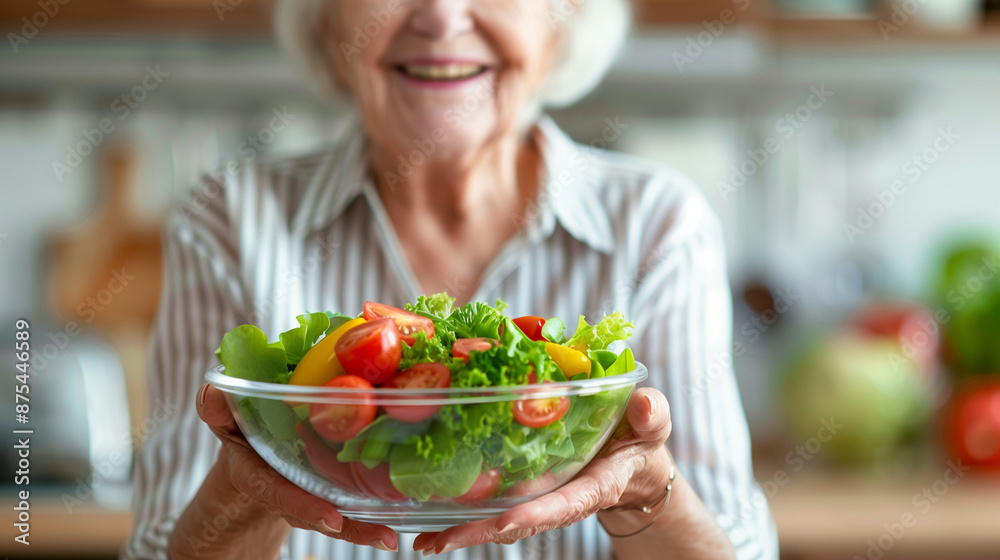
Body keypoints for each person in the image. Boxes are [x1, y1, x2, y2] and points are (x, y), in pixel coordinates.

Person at [121, 0, 779, 558]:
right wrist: (246, 495)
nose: (440, 18)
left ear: (564, 21)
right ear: (326, 21)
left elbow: (740, 545)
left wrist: (647, 496)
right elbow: (158, 545)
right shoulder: (231, 220)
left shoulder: (657, 226)